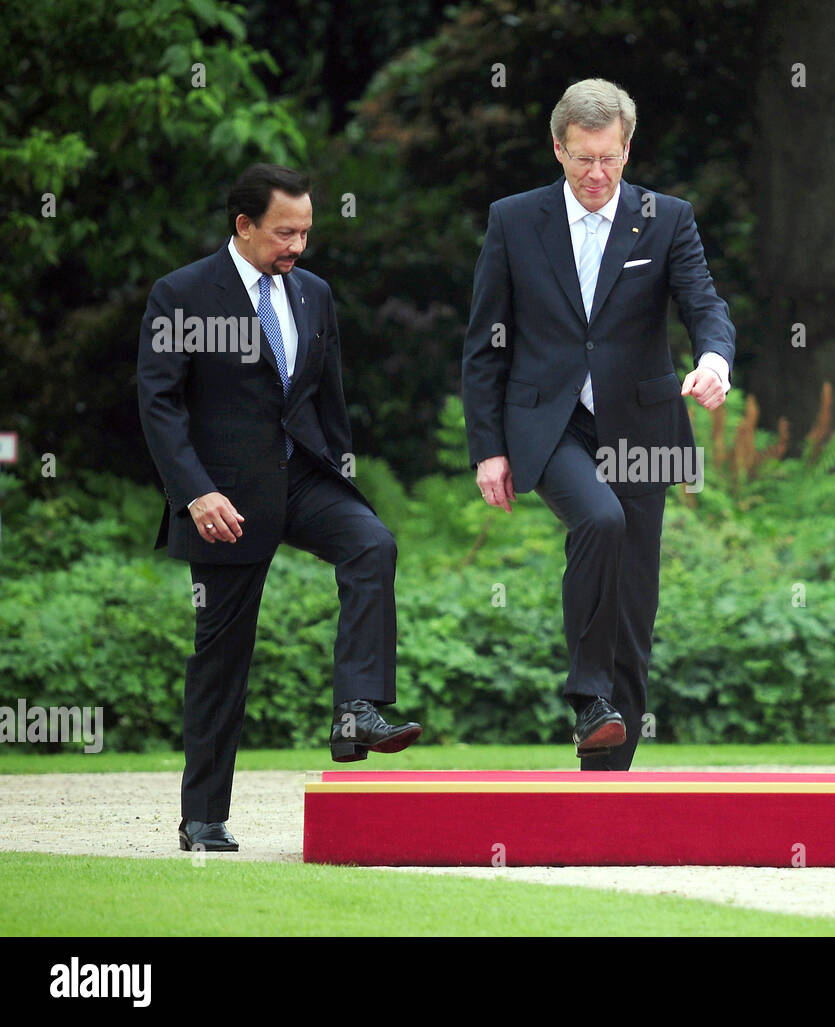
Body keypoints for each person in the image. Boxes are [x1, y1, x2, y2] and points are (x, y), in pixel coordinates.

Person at [137, 163, 421, 852]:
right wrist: (194, 491)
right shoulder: (183, 294)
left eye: (305, 232)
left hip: (302, 478)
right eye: (283, 232)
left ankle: (356, 711)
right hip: (223, 496)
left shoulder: (314, 294)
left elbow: (328, 399)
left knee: (371, 542)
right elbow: (160, 403)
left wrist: (341, 472)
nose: (296, 246)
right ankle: (203, 817)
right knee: (222, 660)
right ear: (243, 225)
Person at [462, 79, 736, 770]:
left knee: (634, 613)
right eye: (582, 158)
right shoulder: (514, 220)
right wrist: (488, 448)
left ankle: (607, 788)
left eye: (609, 158)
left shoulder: (666, 217)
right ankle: (588, 695)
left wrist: (713, 359)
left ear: (627, 148)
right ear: (557, 148)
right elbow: (485, 341)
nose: (596, 174)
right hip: (548, 425)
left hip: (642, 427)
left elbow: (705, 304)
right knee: (600, 520)